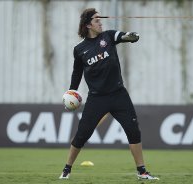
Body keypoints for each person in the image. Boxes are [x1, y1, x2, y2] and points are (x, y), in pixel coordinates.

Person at [59, 8, 159, 180]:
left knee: (133, 131)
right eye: (97, 20)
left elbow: (123, 36)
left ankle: (142, 171)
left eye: (100, 19)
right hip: (97, 98)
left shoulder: (108, 36)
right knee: (82, 134)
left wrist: (131, 36)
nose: (100, 22)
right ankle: (66, 169)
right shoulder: (79, 49)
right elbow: (77, 73)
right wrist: (72, 92)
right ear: (88, 24)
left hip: (119, 95)